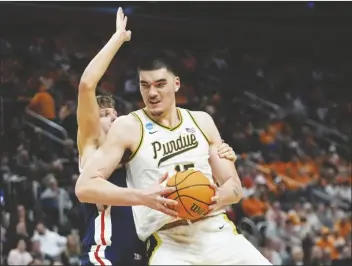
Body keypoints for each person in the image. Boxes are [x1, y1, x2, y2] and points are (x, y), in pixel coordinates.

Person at [76, 12, 268, 266]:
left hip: (209, 233)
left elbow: (233, 187)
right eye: (145, 85)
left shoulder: (200, 122)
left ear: (177, 84)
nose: (152, 92)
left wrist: (215, 196)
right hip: (142, 244)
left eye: (159, 84)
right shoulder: (114, 134)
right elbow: (87, 84)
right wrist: (118, 39)